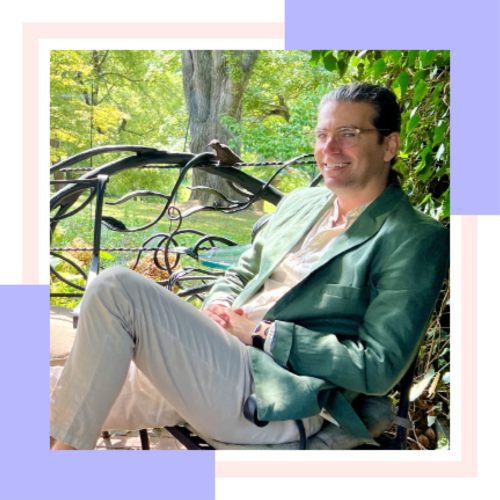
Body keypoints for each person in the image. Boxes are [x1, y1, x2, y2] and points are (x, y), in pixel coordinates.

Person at [50, 83, 450, 450]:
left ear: (389, 144)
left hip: (276, 395)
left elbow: (377, 367)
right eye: (322, 134)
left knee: (116, 289)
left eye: (348, 134)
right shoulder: (300, 203)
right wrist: (219, 307)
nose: (329, 148)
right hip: (214, 362)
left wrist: (263, 333)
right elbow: (240, 273)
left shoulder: (412, 237)